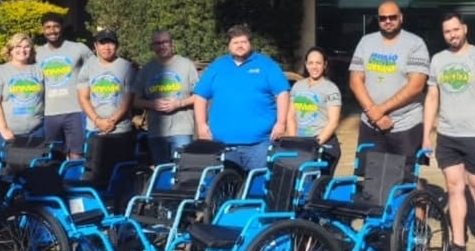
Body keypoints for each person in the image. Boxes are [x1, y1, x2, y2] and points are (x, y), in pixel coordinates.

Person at [422, 12, 475, 251]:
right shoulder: (438, 60)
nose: (452, 35)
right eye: (447, 32)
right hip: (448, 135)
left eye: (456, 29)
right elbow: (432, 97)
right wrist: (426, 135)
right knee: (454, 188)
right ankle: (458, 243)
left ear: (464, 29)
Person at [193, 24, 290, 174]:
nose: (240, 46)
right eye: (235, 42)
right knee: (226, 189)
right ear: (229, 45)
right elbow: (200, 96)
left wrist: (281, 123)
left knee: (257, 188)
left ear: (250, 43)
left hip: (259, 144)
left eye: (243, 42)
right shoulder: (217, 66)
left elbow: (282, 93)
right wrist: (201, 125)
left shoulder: (266, 65)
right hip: (222, 144)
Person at [349, 1, 430, 157]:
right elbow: (355, 80)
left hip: (405, 126)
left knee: (405, 178)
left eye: (392, 17)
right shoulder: (365, 42)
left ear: (401, 18)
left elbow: (416, 86)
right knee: (371, 178)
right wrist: (374, 113)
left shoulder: (415, 44)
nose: (387, 21)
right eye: (383, 18)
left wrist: (380, 110)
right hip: (370, 124)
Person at [132, 30, 200, 166]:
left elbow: (199, 96)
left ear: (171, 44)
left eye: (165, 42)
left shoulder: (186, 65)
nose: (161, 46)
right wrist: (152, 104)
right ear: (152, 46)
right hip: (156, 132)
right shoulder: (147, 69)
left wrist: (179, 103)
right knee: (162, 171)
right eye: (157, 43)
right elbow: (135, 101)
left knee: (182, 171)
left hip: (182, 130)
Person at [77, 29, 136, 165]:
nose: (107, 47)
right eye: (102, 43)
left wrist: (112, 121)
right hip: (94, 130)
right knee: (95, 172)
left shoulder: (126, 67)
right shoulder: (88, 67)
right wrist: (98, 121)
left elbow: (129, 98)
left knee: (120, 173)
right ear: (96, 46)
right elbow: (83, 97)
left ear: (116, 46)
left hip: (120, 130)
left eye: (110, 43)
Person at [37, 12, 91, 160]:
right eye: (48, 27)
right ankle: (54, 183)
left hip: (76, 111)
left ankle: (74, 182)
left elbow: (96, 69)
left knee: (77, 154)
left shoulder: (79, 48)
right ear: (43, 30)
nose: (52, 31)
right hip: (49, 113)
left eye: (56, 26)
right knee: (52, 155)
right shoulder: (36, 53)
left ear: (61, 28)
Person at [286, 46, 343, 175]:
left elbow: (333, 122)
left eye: (318, 63)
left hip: (323, 144)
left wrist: (315, 144)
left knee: (317, 188)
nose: (314, 67)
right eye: (311, 63)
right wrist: (295, 141)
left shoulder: (330, 89)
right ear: (306, 65)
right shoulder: (298, 86)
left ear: (325, 65)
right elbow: (291, 116)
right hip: (301, 145)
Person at [0, 32, 45, 156]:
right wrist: (3, 129)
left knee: (34, 171)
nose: (22, 50)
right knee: (8, 172)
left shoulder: (39, 69)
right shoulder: (1, 71)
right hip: (8, 135)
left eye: (26, 46)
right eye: (18, 47)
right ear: (11, 50)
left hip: (36, 132)